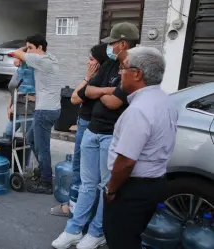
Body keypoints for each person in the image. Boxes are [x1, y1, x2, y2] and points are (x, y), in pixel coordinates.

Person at [52, 22, 139, 249]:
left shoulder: (134, 67)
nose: (109, 47)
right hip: (92, 131)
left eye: (112, 43)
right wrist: (107, 90)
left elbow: (114, 102)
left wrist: (101, 92)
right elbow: (86, 91)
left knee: (104, 186)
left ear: (123, 43)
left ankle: (96, 231)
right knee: (87, 185)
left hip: (112, 135)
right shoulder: (111, 64)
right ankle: (73, 229)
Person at [104, 46, 177, 249]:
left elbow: (126, 161)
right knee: (132, 235)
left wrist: (111, 189)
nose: (120, 72)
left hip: (132, 188)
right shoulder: (165, 101)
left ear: (137, 74)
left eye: (123, 68)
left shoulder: (139, 110)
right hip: (153, 184)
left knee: (121, 239)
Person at [50, 43, 108, 217]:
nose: (88, 62)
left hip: (90, 127)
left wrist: (87, 77)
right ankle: (77, 206)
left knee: (82, 171)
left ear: (100, 63)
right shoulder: (100, 79)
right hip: (85, 124)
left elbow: (74, 98)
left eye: (91, 59)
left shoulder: (97, 81)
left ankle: (74, 209)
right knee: (84, 170)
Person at [13, 34, 61, 194]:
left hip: (44, 111)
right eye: (28, 48)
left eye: (31, 48)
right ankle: (43, 170)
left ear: (40, 48)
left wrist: (25, 51)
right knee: (31, 139)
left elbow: (17, 54)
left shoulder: (41, 60)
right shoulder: (50, 57)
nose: (29, 51)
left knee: (43, 148)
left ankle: (46, 182)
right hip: (50, 108)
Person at [4, 58, 35, 138]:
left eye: (17, 58)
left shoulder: (31, 72)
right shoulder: (19, 71)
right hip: (17, 108)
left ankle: (35, 150)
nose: (14, 60)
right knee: (8, 133)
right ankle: (6, 150)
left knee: (27, 137)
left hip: (26, 109)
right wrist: (9, 107)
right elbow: (13, 90)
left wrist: (35, 98)